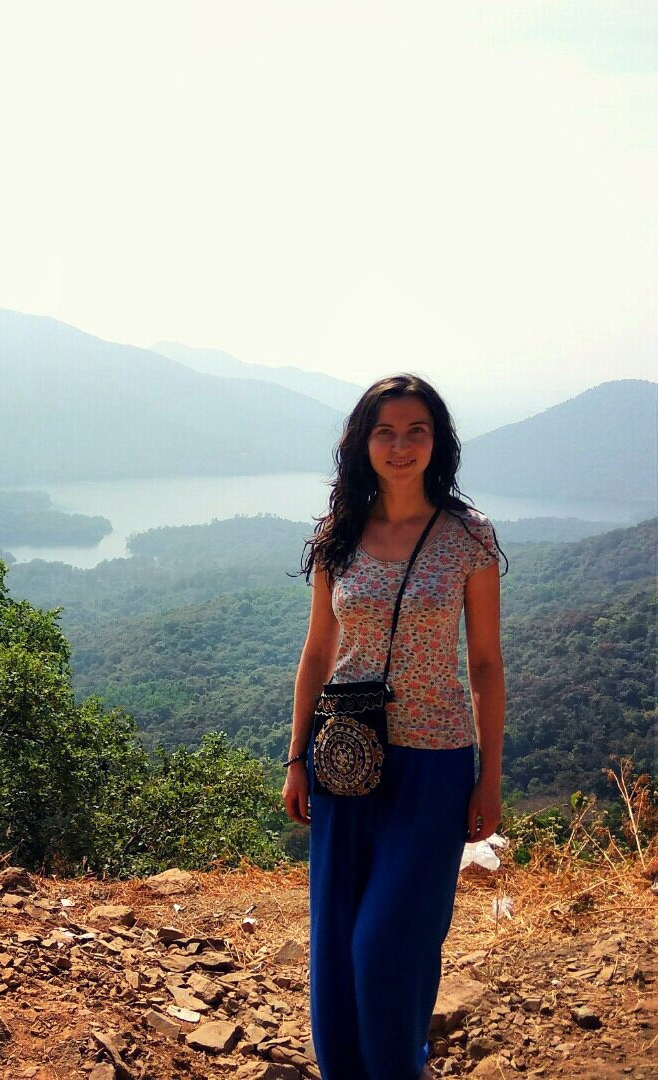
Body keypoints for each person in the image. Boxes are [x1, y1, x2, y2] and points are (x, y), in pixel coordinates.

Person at [281, 373, 507, 1080]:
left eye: (416, 431)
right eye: (385, 432)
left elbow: (486, 664)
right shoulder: (338, 536)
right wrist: (295, 757)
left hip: (436, 761)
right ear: (363, 443)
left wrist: (490, 778)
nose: (400, 445)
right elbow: (317, 653)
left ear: (438, 442)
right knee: (338, 937)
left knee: (388, 945)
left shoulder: (468, 537)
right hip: (345, 758)